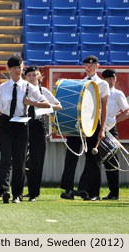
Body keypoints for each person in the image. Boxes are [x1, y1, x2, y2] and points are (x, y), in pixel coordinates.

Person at [0, 56, 50, 204]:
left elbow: (46, 104)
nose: (18, 70)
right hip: (5, 124)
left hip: (22, 124)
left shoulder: (30, 87)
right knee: (6, 156)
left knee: (20, 160)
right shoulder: (3, 88)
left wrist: (31, 102)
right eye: (15, 67)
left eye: (20, 67)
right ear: (9, 69)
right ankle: (4, 190)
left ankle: (17, 194)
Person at [60, 55, 109, 201]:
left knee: (93, 159)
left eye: (91, 66)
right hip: (78, 124)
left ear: (97, 66)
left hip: (93, 124)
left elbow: (104, 108)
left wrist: (103, 128)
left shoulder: (102, 84)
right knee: (71, 157)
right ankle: (68, 189)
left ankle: (92, 192)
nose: (88, 68)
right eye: (86, 65)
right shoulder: (80, 83)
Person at [23, 65, 62, 202]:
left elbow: (58, 105)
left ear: (39, 76)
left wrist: (44, 107)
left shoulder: (43, 91)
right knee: (24, 159)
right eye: (29, 75)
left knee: (37, 160)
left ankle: (34, 192)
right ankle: (27, 189)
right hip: (23, 125)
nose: (32, 78)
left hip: (38, 126)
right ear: (25, 77)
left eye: (35, 75)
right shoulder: (22, 89)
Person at [101, 69, 129, 200]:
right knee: (94, 158)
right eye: (109, 79)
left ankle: (114, 193)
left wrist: (114, 120)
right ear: (104, 80)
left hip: (111, 127)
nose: (112, 81)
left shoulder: (118, 94)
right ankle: (90, 191)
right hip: (97, 126)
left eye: (114, 78)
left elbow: (127, 112)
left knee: (112, 160)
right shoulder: (99, 92)